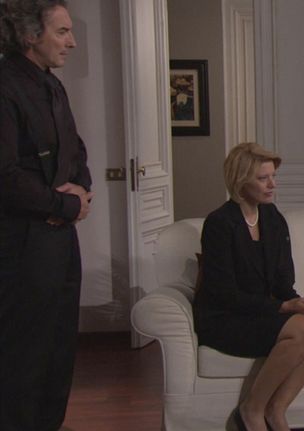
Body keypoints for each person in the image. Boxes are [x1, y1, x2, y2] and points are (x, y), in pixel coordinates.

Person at [193, 142, 304, 431]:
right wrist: (283, 307)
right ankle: (251, 409)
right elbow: (223, 294)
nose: (273, 185)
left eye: (273, 176)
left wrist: (298, 302)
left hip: (261, 311)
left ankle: (277, 408)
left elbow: (283, 280)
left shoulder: (273, 218)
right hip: (226, 317)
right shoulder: (219, 223)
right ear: (240, 181)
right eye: (263, 178)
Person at [0, 1, 93, 430]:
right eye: (62, 32)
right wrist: (64, 205)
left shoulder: (52, 85)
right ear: (29, 34)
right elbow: (5, 175)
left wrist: (82, 191)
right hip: (21, 243)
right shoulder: (5, 86)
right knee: (24, 353)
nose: (71, 42)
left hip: (59, 240)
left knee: (59, 346)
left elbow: (75, 150)